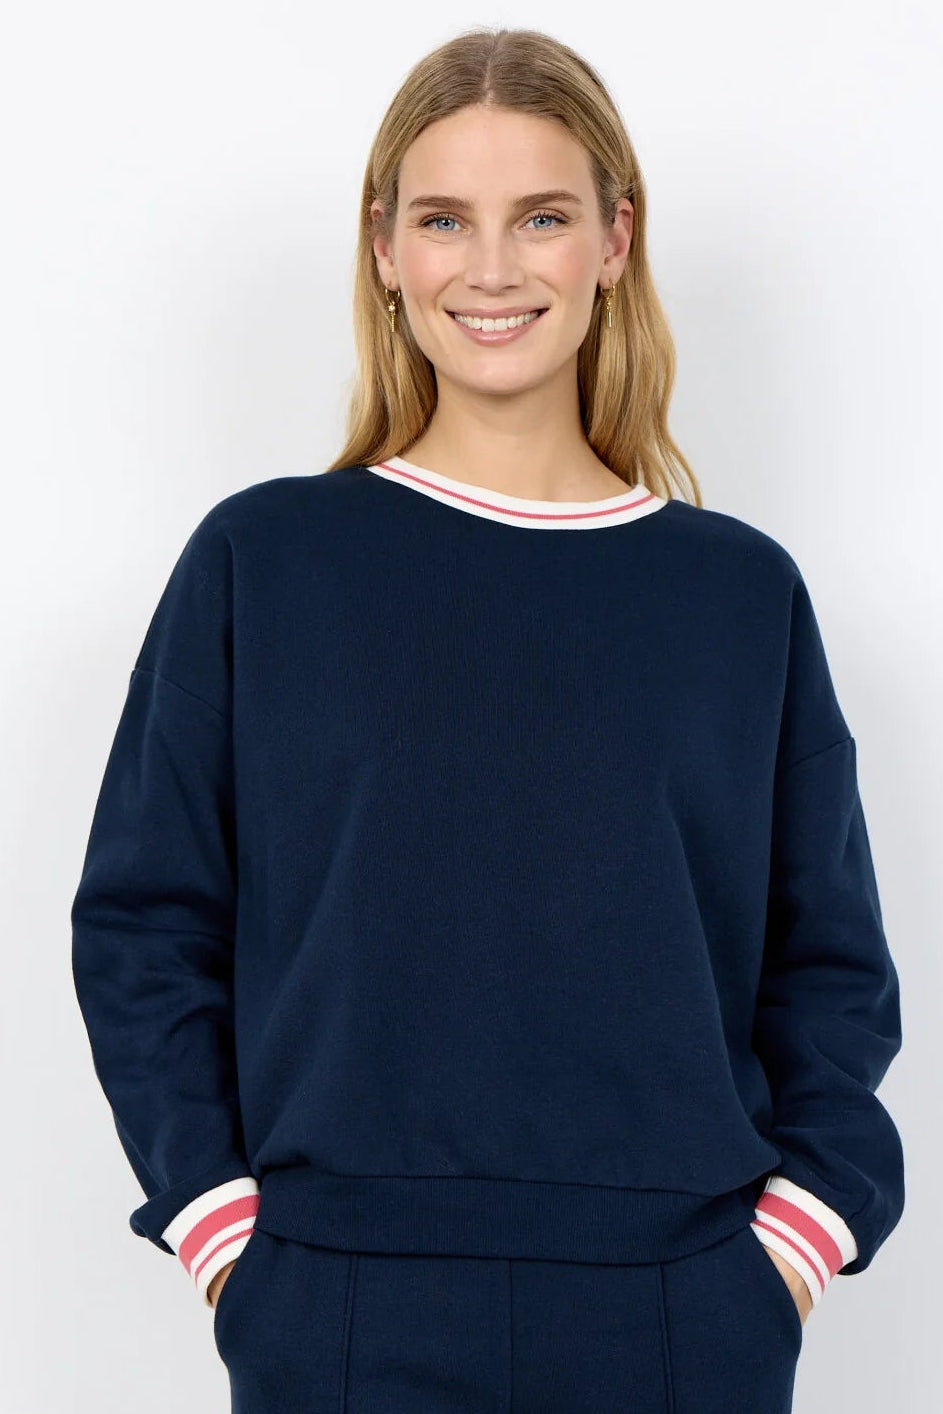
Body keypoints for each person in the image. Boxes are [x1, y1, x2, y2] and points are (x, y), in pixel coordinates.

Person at [70, 25, 904, 1414]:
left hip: (681, 1310)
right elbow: (146, 923)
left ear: (615, 241)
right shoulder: (264, 562)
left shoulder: (738, 594)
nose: (496, 267)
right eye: (446, 218)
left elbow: (829, 966)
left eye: (545, 217)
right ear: (385, 248)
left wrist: (793, 1249)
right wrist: (224, 1235)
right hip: (338, 1303)